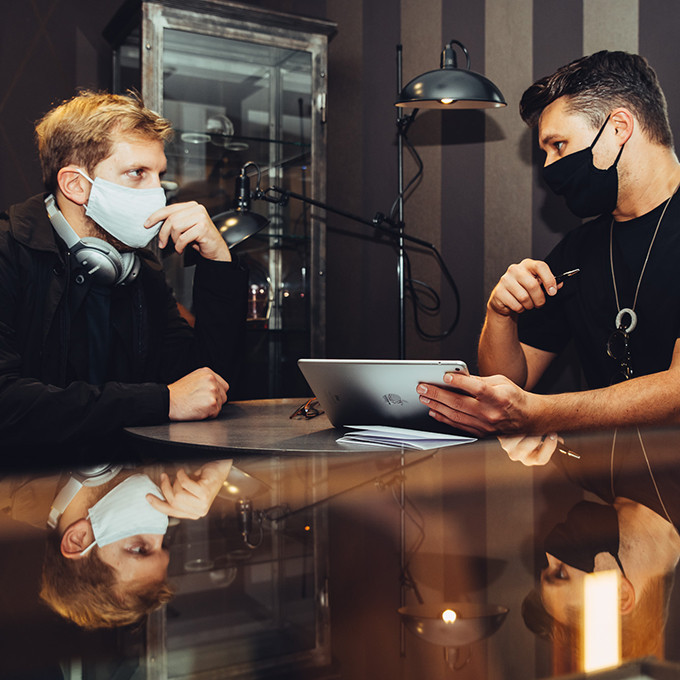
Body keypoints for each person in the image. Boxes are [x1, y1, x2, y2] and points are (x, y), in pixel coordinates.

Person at [417, 51, 680, 436]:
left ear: (619, 127)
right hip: (603, 486)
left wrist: (541, 413)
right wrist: (500, 314)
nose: (548, 166)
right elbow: (506, 388)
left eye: (558, 145)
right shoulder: (578, 249)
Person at [0, 91, 248, 465]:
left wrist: (218, 262)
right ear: (76, 185)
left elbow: (204, 383)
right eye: (137, 174)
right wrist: (161, 401)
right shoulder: (8, 251)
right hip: (26, 502)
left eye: (160, 175)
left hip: (126, 496)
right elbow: (7, 403)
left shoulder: (140, 267)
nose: (158, 194)